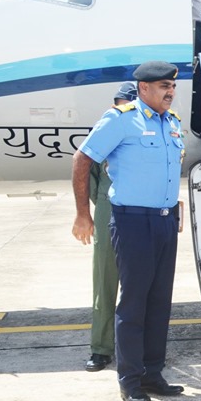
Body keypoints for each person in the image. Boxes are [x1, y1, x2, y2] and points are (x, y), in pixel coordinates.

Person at [71, 61, 186, 401]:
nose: (170, 92)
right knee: (133, 303)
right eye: (164, 86)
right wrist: (82, 213)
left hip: (165, 221)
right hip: (132, 221)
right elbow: (82, 160)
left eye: (172, 87)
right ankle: (130, 380)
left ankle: (153, 373)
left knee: (159, 303)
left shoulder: (173, 123)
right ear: (144, 88)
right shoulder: (121, 119)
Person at [84, 81, 137, 372]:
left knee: (139, 286)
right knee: (104, 283)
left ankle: (136, 348)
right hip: (109, 211)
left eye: (126, 103)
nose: (121, 107)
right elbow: (89, 175)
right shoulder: (104, 133)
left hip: (141, 213)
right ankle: (101, 348)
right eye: (119, 102)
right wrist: (101, 207)